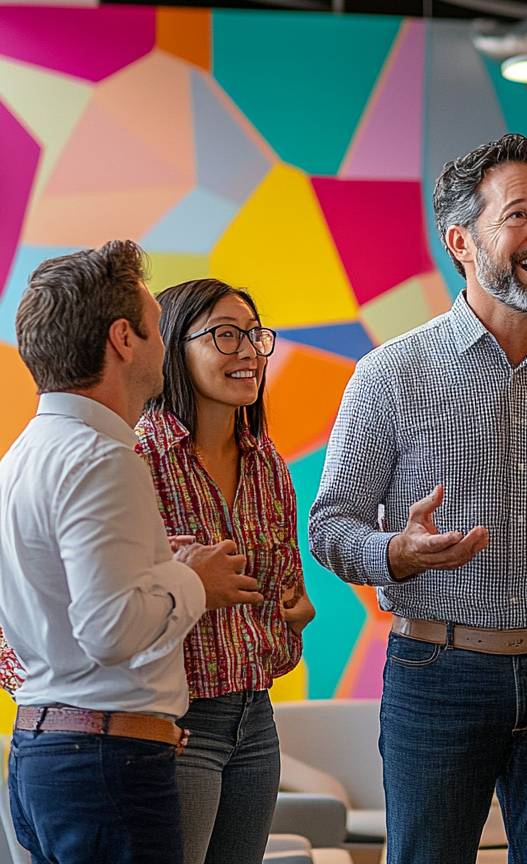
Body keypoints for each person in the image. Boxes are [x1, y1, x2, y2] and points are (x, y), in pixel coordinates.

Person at [309, 133, 527, 864]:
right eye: (518, 217)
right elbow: (330, 523)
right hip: (437, 676)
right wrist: (393, 554)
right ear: (461, 241)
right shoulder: (388, 376)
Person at [0, 241, 261, 864]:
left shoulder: (22, 457)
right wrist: (192, 578)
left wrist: (155, 572)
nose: (162, 345)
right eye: (155, 328)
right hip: (105, 766)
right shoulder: (102, 458)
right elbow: (111, 631)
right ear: (123, 339)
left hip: (44, 753)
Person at [137, 278, 315, 864]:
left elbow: (284, 594)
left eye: (255, 336)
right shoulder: (136, 458)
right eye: (225, 335)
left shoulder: (268, 464)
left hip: (255, 720)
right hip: (175, 724)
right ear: (171, 348)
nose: (248, 352)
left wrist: (293, 621)